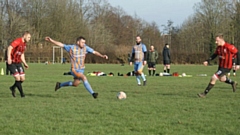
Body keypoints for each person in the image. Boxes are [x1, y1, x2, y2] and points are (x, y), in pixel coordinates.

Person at [198, 34, 240, 98]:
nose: (215, 42)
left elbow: (238, 53)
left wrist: (238, 64)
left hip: (226, 67)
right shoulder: (219, 48)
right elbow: (214, 55)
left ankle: (204, 94)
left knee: (214, 77)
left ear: (221, 40)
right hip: (221, 66)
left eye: (217, 41)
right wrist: (207, 60)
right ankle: (233, 83)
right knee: (222, 79)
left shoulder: (229, 47)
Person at [8, 31, 31, 97]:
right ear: (24, 36)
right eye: (28, 37)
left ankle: (12, 87)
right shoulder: (18, 41)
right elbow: (9, 48)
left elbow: (21, 54)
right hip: (12, 62)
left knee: (22, 79)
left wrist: (25, 63)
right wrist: (9, 58)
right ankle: (22, 95)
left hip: (18, 62)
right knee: (17, 78)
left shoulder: (24, 44)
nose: (29, 39)